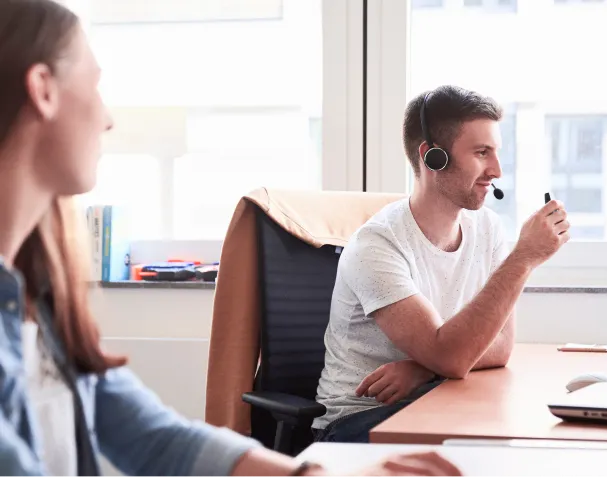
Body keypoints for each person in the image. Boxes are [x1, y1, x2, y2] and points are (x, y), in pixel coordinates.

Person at [0, 1, 464, 476]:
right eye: (94, 86)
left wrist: (318, 474)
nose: (107, 118)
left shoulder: (39, 303)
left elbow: (153, 439)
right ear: (43, 90)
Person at [312, 85, 571, 443]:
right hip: (359, 421)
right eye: (481, 153)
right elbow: (451, 358)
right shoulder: (377, 245)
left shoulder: (486, 228)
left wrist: (423, 369)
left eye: (495, 153)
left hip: (435, 400)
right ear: (433, 157)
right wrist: (524, 257)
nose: (495, 169)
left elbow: (500, 347)